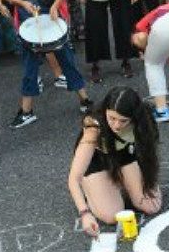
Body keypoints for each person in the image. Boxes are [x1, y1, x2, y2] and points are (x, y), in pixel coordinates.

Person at [67, 86, 162, 235]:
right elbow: (74, 178)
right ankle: (94, 186)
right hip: (97, 161)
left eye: (123, 121)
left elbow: (148, 155)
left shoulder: (144, 119)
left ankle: (118, 181)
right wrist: (85, 213)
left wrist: (146, 179)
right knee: (112, 216)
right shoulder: (94, 126)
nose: (116, 125)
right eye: (111, 118)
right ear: (105, 111)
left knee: (151, 207)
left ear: (134, 117)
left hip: (123, 154)